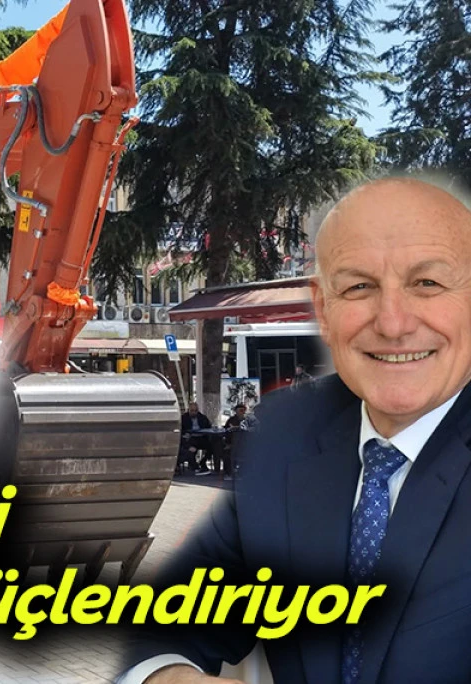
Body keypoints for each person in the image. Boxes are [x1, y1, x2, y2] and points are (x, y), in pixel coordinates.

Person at [116, 175, 471, 683]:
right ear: (324, 310)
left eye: (427, 283)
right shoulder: (285, 436)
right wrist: (169, 675)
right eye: (359, 286)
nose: (393, 324)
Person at [179, 402, 213, 474]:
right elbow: (181, 431)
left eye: (195, 410)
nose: (194, 412)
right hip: (190, 439)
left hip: (201, 438)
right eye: (192, 410)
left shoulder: (202, 417)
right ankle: (195, 467)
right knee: (190, 450)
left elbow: (209, 427)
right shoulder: (183, 418)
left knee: (212, 446)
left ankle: (203, 462)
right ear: (188, 410)